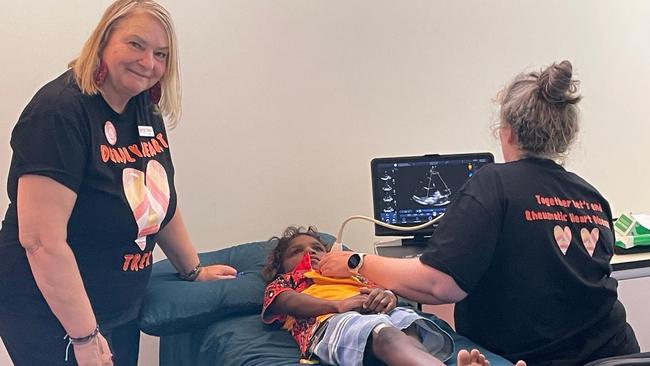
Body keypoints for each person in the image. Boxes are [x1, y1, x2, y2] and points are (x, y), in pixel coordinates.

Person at [320, 60, 640, 365]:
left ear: (508, 132)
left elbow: (439, 284)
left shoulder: (493, 182)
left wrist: (356, 262)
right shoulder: (590, 195)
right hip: (618, 353)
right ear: (566, 136)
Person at [0, 1, 237, 365]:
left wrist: (193, 270)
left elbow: (158, 201)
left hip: (117, 307)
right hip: (47, 312)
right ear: (103, 40)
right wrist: (84, 336)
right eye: (135, 45)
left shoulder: (143, 105)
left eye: (161, 53)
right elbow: (41, 242)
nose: (148, 63)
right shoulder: (59, 112)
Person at [262, 226, 520, 366]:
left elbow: (387, 288)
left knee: (407, 329)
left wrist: (388, 296)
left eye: (317, 248)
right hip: (330, 320)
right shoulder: (290, 281)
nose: (310, 253)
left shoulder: (353, 274)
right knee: (384, 335)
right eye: (297, 251)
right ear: (281, 265)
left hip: (382, 313)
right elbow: (286, 301)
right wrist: (338, 305)